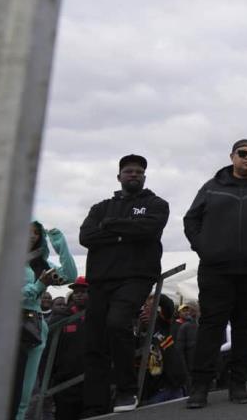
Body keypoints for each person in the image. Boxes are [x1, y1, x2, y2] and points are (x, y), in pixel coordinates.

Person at [183, 139, 247, 408]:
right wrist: (205, 248)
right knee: (211, 326)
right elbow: (191, 220)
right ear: (232, 156)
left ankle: (238, 384)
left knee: (245, 327)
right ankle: (199, 387)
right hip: (216, 270)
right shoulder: (212, 187)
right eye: (243, 153)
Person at [79, 154, 170, 414]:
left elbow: (149, 230)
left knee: (117, 323)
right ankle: (94, 405)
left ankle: (126, 390)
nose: (134, 174)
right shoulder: (100, 208)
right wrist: (125, 232)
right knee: (94, 342)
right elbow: (86, 236)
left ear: (144, 177)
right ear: (119, 176)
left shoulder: (156, 204)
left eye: (139, 172)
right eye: (129, 171)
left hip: (136, 277)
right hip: (101, 279)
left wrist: (110, 229)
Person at [11, 222, 77, 420]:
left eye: (36, 233)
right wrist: (39, 286)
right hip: (9, 326)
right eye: (27, 231)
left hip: (36, 328)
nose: (31, 236)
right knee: (5, 390)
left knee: (25, 395)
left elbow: (70, 275)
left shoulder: (41, 264)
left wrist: (60, 244)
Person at [138, 294, 189, 405]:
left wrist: (156, 297)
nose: (147, 310)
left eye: (150, 306)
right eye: (144, 307)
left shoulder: (161, 322)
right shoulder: (135, 329)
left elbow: (168, 306)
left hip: (172, 386)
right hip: (150, 392)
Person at [50, 277, 89, 420]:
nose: (78, 294)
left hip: (90, 381)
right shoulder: (62, 318)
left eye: (83, 291)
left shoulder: (99, 317)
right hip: (65, 383)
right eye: (76, 291)